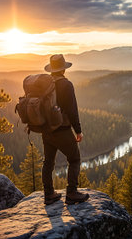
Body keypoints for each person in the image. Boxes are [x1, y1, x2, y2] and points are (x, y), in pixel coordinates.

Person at [41, 54, 89, 205]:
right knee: (74, 159)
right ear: (63, 69)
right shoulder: (66, 85)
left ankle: (49, 194)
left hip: (46, 130)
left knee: (48, 162)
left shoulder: (44, 84)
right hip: (62, 129)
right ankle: (72, 192)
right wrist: (78, 131)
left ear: (52, 69)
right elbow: (72, 110)